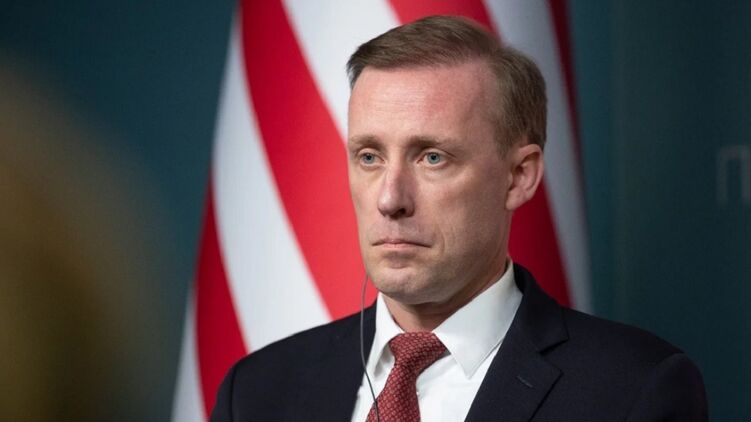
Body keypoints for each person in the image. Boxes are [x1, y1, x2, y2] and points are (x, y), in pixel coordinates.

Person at [211, 15, 707, 422]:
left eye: (432, 157)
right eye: (369, 157)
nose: (390, 199)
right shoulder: (257, 391)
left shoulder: (634, 391)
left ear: (519, 177)